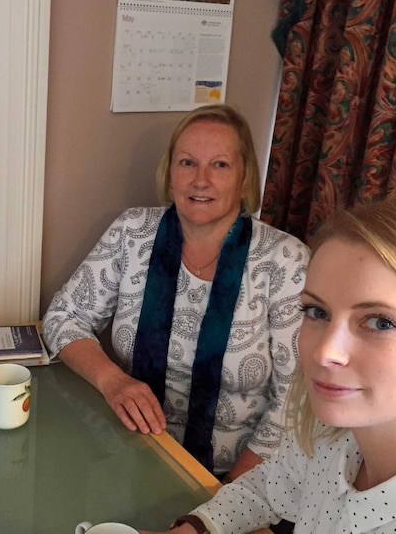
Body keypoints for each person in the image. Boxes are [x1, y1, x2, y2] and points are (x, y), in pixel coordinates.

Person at [144, 198, 396, 534]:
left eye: (381, 322)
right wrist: (198, 527)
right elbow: (267, 487)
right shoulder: (332, 439)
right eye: (317, 311)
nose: (325, 352)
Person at [42, 104, 309, 481]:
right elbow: (63, 317)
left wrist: (222, 502)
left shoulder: (285, 261)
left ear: (244, 177)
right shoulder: (132, 232)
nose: (201, 180)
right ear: (170, 176)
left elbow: (297, 403)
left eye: (220, 165)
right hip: (132, 449)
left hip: (241, 477)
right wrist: (112, 380)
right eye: (187, 163)